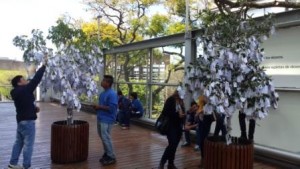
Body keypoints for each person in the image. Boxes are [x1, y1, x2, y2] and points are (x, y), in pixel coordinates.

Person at [8, 63, 46, 169]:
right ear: (19, 82)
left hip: (21, 122)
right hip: (28, 122)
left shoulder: (16, 92)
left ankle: (13, 164)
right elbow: (36, 80)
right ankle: (26, 166)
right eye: (23, 79)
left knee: (18, 143)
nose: (26, 80)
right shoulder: (25, 89)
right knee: (28, 145)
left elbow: (24, 104)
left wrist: (34, 109)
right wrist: (43, 67)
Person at [94, 75, 118, 166]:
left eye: (103, 80)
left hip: (107, 119)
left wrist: (99, 107)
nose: (102, 82)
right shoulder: (103, 93)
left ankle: (111, 156)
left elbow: (112, 108)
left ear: (108, 83)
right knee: (103, 137)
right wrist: (97, 108)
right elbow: (103, 106)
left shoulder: (112, 94)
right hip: (101, 118)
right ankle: (107, 153)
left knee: (106, 137)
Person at [159, 88, 185, 169]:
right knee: (172, 144)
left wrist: (183, 116)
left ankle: (171, 163)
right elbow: (166, 112)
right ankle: (162, 161)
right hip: (170, 126)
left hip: (178, 126)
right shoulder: (171, 100)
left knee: (174, 145)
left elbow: (182, 113)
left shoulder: (181, 102)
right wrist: (178, 115)